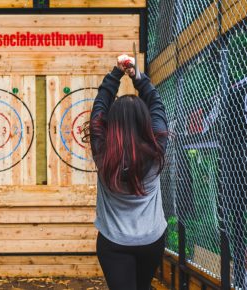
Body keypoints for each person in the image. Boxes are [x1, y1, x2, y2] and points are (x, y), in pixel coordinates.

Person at [88, 55, 168, 290]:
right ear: (145, 122)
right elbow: (156, 104)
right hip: (151, 240)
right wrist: (137, 77)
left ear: (112, 125)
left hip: (113, 242)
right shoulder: (156, 151)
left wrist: (116, 73)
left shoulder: (102, 151)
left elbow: (100, 107)